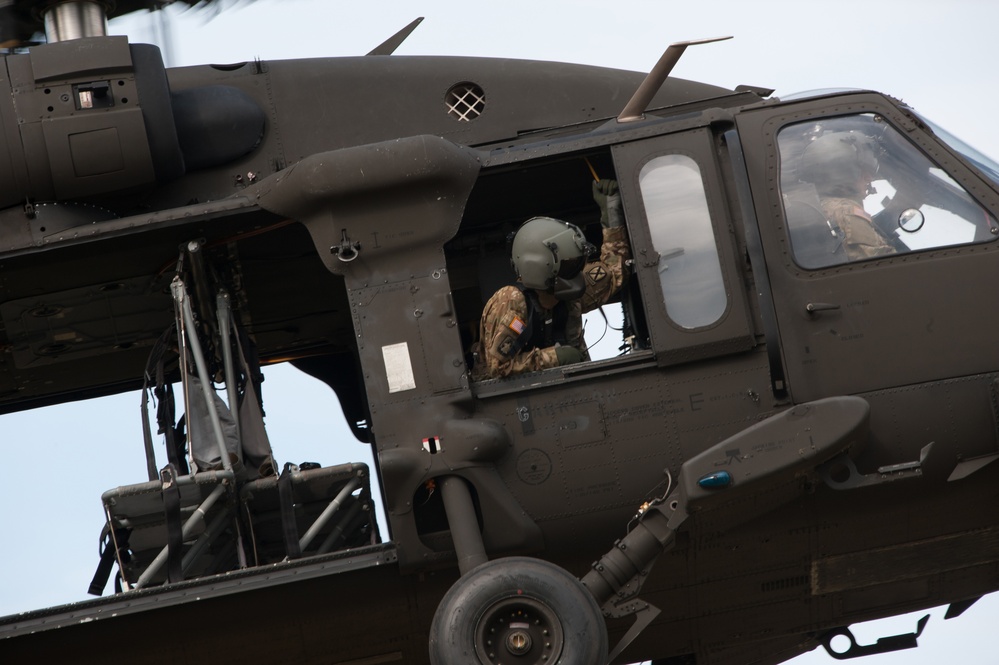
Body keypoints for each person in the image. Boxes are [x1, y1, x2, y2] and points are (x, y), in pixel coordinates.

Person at [475, 179, 630, 379]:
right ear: (541, 270)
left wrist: (612, 215)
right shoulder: (513, 302)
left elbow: (614, 271)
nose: (578, 273)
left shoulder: (570, 295)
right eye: (569, 266)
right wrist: (555, 358)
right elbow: (498, 366)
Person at [801, 130, 895, 261]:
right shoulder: (846, 212)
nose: (869, 178)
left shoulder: (824, 207)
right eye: (863, 171)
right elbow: (884, 263)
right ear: (841, 172)